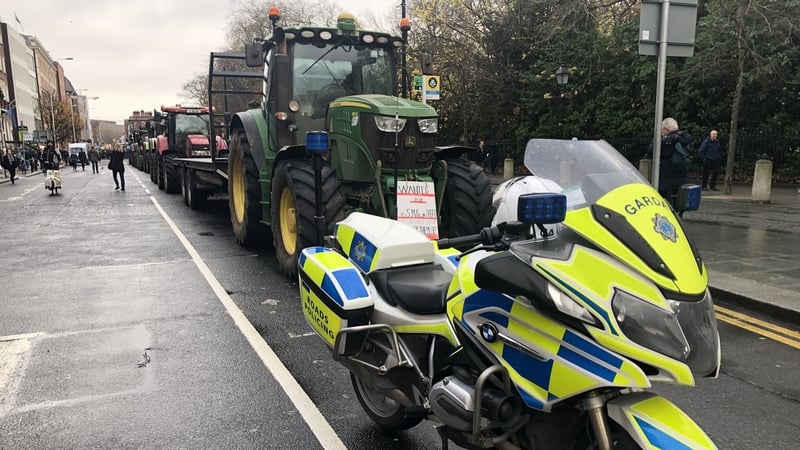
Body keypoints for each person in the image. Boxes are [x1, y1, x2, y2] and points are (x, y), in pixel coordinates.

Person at [645, 117, 692, 211]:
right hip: (681, 176)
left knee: (666, 201)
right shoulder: (684, 138)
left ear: (665, 129)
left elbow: (650, 152)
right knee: (677, 199)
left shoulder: (666, 141)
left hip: (666, 177)